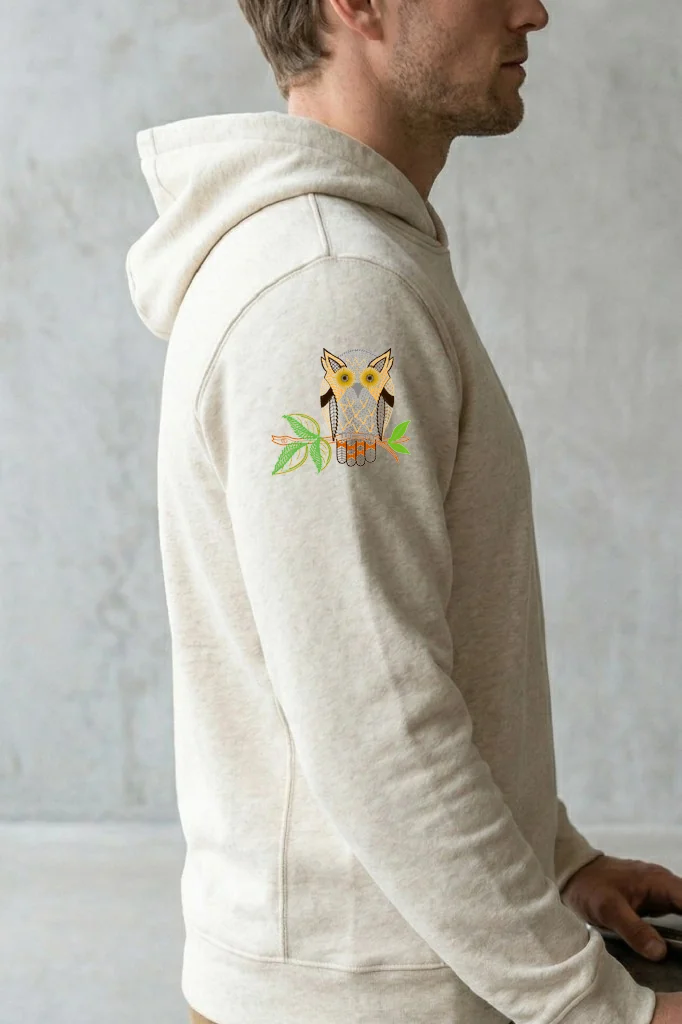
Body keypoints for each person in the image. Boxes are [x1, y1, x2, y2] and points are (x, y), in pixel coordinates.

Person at [125, 0, 682, 1021]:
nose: (533, 11)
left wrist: (554, 860)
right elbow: (376, 723)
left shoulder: (353, 259)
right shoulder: (332, 294)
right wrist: (600, 1008)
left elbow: (394, 657)